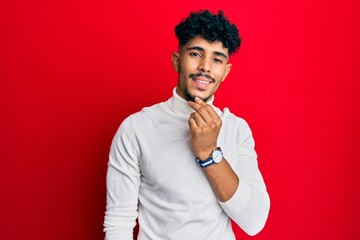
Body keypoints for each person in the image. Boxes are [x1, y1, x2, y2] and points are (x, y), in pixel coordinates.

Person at [104, 10, 270, 240]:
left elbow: (254, 221)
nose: (205, 67)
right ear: (176, 60)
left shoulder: (237, 130)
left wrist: (210, 154)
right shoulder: (136, 129)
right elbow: (118, 222)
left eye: (217, 59)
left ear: (225, 72)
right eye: (195, 53)